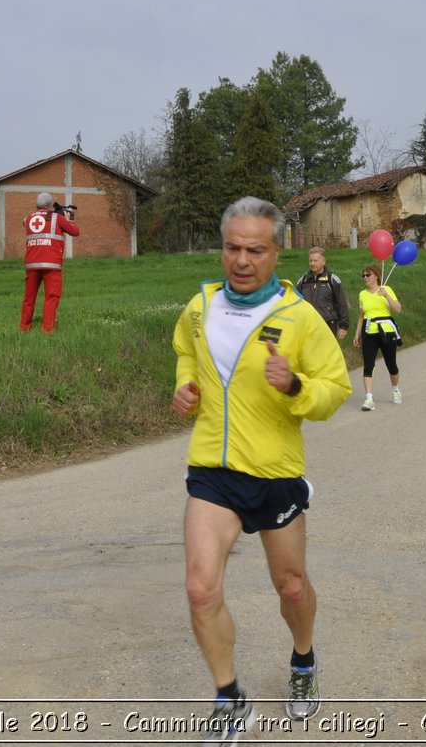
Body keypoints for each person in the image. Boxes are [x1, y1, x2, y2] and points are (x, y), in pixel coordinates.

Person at [170, 197, 353, 742]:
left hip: (274, 473)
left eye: (255, 249)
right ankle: (229, 697)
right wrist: (185, 387)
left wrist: (296, 386)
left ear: (278, 252)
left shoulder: (300, 318)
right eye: (232, 248)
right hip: (213, 470)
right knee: (201, 588)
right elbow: (185, 349)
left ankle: (303, 661)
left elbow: (336, 388)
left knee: (291, 586)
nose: (242, 260)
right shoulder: (200, 306)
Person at [19, 192, 79, 333]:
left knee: (29, 298)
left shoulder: (28, 219)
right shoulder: (57, 218)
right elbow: (75, 232)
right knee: (51, 297)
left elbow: (25, 221)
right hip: (51, 265)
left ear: (37, 204)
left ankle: (24, 327)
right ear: (50, 205)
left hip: (32, 265)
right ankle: (47, 329)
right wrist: (67, 219)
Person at [353, 265, 403, 409]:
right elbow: (361, 315)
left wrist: (386, 295)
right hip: (369, 331)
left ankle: (395, 390)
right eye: (363, 275)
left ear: (376, 276)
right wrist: (357, 334)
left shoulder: (386, 289)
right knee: (368, 365)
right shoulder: (362, 294)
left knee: (391, 364)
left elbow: (398, 309)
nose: (365, 278)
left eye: (368, 275)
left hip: (387, 330)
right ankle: (369, 399)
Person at [295, 247, 351, 341]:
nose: (312, 263)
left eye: (315, 261)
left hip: (328, 325)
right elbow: (296, 303)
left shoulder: (332, 280)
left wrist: (343, 327)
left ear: (323, 262)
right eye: (310, 261)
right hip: (308, 326)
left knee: (327, 354)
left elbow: (342, 304)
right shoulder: (303, 281)